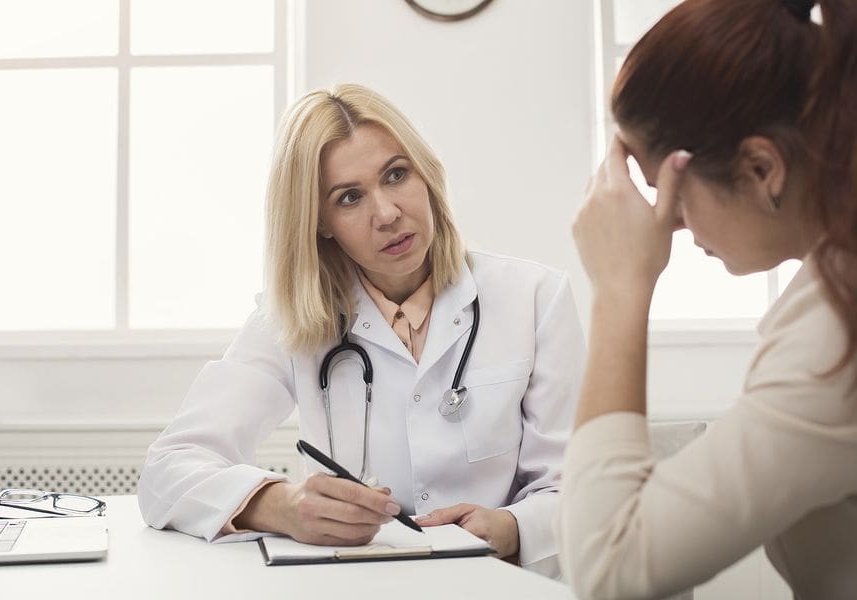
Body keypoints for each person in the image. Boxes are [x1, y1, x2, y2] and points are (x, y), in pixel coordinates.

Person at [138, 83, 584, 576]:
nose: (387, 213)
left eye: (396, 175)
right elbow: (166, 472)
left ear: (426, 174)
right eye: (350, 198)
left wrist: (513, 526)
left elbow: (580, 491)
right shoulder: (289, 319)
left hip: (502, 584)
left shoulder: (535, 299)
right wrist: (280, 505)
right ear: (320, 222)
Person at [560, 0, 857, 598]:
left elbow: (609, 567)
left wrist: (619, 290)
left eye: (670, 192)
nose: (664, 223)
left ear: (760, 167)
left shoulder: (837, 327)